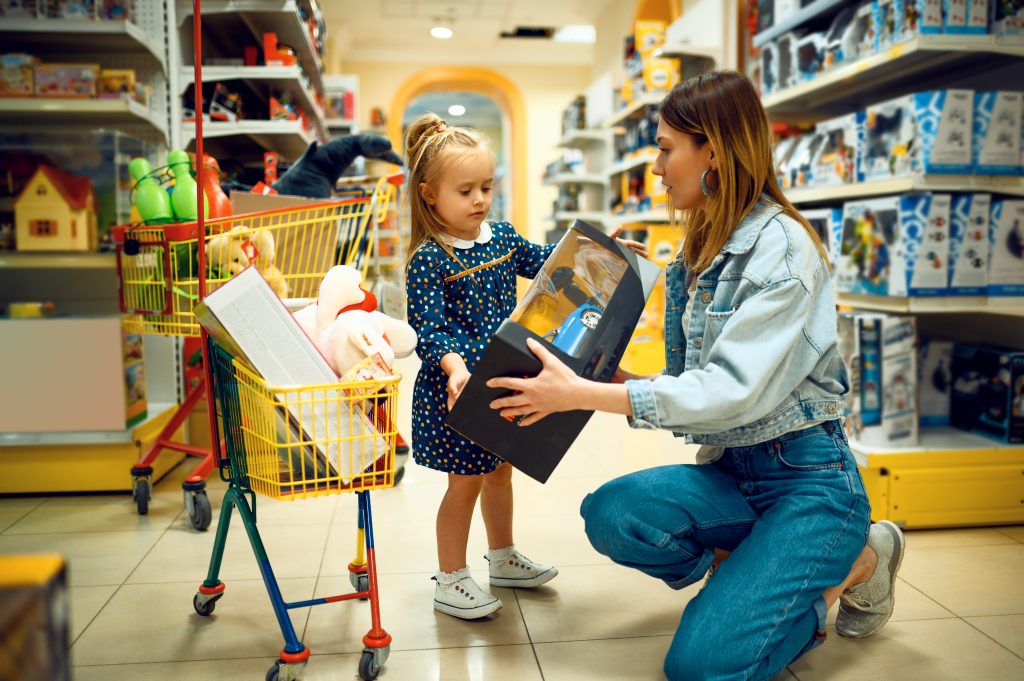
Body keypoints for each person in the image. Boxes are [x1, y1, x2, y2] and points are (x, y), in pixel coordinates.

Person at [486, 71, 906, 680]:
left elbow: (726, 393)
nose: (655, 166)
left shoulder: (783, 253)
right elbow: (689, 383)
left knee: (699, 668)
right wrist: (594, 360)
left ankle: (859, 561)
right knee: (613, 512)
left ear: (712, 149)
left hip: (809, 482)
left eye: (664, 148)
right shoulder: (698, 251)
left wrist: (584, 393)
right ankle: (754, 567)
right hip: (734, 469)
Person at [404, 112, 648, 620]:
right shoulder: (429, 258)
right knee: (464, 482)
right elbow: (428, 328)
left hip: (502, 377)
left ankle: (502, 558)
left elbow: (551, 262)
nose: (479, 200)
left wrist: (606, 250)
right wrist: (452, 366)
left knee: (499, 472)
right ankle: (449, 578)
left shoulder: (501, 237)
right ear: (429, 195)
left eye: (486, 188)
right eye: (465, 190)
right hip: (459, 389)